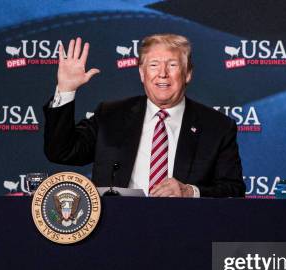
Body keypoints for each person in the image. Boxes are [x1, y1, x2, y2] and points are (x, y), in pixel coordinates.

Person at [43, 34, 245, 198]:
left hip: (184, 232)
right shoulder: (110, 115)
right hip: (115, 229)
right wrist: (66, 89)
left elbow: (234, 191)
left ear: (188, 74)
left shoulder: (217, 127)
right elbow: (61, 152)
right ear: (141, 73)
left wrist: (189, 192)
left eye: (173, 65)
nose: (162, 73)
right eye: (154, 64)